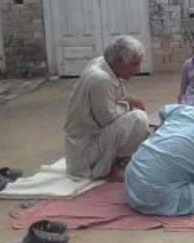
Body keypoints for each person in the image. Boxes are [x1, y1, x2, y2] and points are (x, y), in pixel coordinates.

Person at [64, 35, 149, 182]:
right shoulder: (100, 78)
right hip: (85, 154)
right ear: (119, 61)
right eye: (135, 64)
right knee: (139, 119)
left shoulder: (105, 64)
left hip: (90, 144)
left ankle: (117, 162)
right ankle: (110, 168)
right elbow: (107, 119)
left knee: (138, 126)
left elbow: (114, 105)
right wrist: (130, 101)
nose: (138, 69)